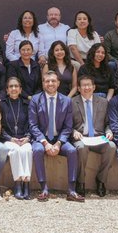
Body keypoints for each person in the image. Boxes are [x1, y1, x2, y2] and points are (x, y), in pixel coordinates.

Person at [28, 71, 81, 202]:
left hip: (59, 139)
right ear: (43, 83)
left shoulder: (67, 101)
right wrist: (45, 143)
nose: (50, 83)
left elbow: (68, 126)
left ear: (58, 83)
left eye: (53, 81)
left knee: (72, 151)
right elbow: (33, 125)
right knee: (38, 150)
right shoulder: (35, 100)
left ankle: (71, 189)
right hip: (42, 139)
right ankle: (44, 188)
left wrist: (58, 144)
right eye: (47, 81)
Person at [71, 74, 116, 197]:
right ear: (79, 88)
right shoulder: (72, 102)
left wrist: (109, 131)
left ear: (94, 87)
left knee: (111, 146)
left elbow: (108, 123)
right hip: (81, 138)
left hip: (98, 138)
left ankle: (101, 180)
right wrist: (73, 131)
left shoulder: (103, 102)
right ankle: (80, 182)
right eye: (83, 85)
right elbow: (67, 124)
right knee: (81, 148)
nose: (86, 88)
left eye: (89, 85)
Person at [0, 76, 34, 199]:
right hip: (9, 139)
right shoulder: (1, 105)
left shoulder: (27, 104)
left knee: (27, 150)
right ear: (7, 90)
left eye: (16, 86)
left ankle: (26, 183)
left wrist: (28, 137)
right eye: (11, 86)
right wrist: (9, 138)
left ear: (20, 89)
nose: (14, 88)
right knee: (15, 151)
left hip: (24, 138)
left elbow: (32, 123)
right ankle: (18, 183)